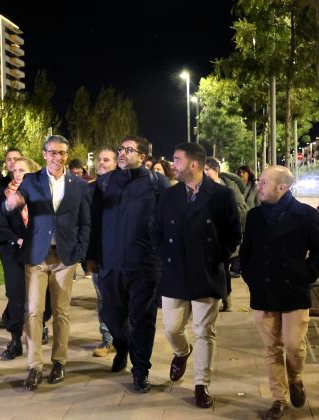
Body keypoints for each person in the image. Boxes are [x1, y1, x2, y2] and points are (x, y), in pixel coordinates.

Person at [155, 142, 241, 409]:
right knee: (171, 328)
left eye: (177, 160)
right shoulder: (169, 195)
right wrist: (164, 255)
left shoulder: (221, 195)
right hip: (175, 272)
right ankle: (182, 352)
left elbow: (233, 233)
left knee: (204, 332)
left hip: (206, 272)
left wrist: (217, 256)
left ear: (194, 164)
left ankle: (201, 384)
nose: (173, 165)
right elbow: (156, 229)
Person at [5, 134, 91, 391]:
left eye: (62, 153)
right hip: (37, 256)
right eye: (53, 152)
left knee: (61, 311)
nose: (57, 157)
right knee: (34, 311)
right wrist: (12, 203)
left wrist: (79, 252)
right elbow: (13, 204)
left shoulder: (79, 185)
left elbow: (85, 223)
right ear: (44, 154)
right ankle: (34, 366)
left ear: (67, 155)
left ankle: (59, 362)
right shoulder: (31, 180)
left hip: (65, 257)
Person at [240, 165, 319, 420]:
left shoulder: (306, 214)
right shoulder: (255, 215)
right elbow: (247, 250)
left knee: (293, 346)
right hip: (263, 290)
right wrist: (250, 276)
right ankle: (279, 398)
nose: (258, 186)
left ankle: (296, 377)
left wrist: (307, 274)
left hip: (293, 290)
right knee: (272, 348)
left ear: (281, 187)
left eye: (264, 182)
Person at [87, 136, 169, 393]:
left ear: (142, 157)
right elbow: (94, 223)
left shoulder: (157, 183)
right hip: (111, 263)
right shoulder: (105, 183)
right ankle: (121, 346)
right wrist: (91, 257)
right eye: (121, 149)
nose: (122, 153)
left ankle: (140, 370)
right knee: (111, 316)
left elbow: (167, 223)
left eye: (129, 150)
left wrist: (164, 257)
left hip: (145, 265)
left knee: (142, 319)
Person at [0, 156, 41, 360]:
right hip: (14, 254)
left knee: (40, 297)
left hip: (38, 253)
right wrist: (17, 240)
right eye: (15, 170)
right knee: (16, 296)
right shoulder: (6, 197)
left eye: (22, 170)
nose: (17, 174)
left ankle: (40, 328)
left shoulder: (41, 195)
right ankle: (15, 340)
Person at [204, 157, 248, 311]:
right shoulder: (200, 188)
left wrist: (226, 213)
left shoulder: (230, 188)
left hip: (223, 237)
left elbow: (242, 209)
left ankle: (226, 298)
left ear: (216, 170)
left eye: (207, 170)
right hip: (205, 237)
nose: (204, 173)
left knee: (223, 268)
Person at [90, 148, 118, 358]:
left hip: (122, 253)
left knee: (121, 298)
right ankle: (108, 338)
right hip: (99, 254)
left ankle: (124, 337)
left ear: (116, 163)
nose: (101, 162)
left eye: (106, 159)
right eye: (99, 159)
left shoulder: (126, 188)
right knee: (103, 297)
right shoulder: (90, 189)